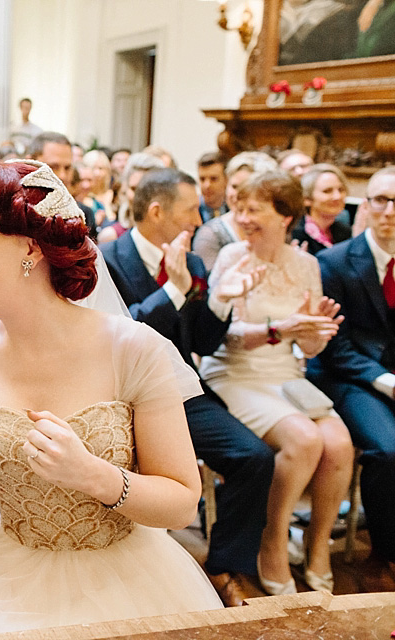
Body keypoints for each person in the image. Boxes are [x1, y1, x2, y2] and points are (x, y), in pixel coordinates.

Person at [0, 161, 222, 640]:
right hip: (1, 579)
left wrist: (95, 475)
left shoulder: (134, 349)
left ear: (29, 247)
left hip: (125, 582)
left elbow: (181, 504)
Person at [102, 168, 274, 607]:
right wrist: (174, 292)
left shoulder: (194, 263)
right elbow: (116, 337)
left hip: (180, 394)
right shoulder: (107, 259)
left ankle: (221, 566)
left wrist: (220, 300)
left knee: (254, 457)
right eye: (190, 210)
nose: (198, 221)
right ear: (157, 211)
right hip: (116, 396)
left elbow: (201, 343)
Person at [200, 171, 353, 595]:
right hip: (235, 371)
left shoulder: (306, 264)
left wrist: (314, 334)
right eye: (241, 209)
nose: (244, 218)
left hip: (286, 375)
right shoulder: (233, 257)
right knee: (304, 440)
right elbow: (223, 333)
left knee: (338, 443)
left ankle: (317, 545)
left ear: (285, 216)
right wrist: (282, 328)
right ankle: (272, 541)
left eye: (255, 210)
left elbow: (309, 348)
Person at [306, 166, 395, 592]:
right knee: (388, 449)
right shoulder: (336, 262)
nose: (389, 211)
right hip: (350, 377)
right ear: (368, 206)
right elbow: (334, 347)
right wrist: (385, 380)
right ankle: (382, 553)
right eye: (380, 200)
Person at [192, 151, 278, 272]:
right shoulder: (211, 234)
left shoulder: (277, 227)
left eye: (245, 187)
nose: (237, 195)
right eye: (234, 186)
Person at [293, 164, 352, 255]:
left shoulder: (345, 232)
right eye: (327, 191)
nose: (337, 196)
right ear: (307, 199)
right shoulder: (295, 233)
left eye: (341, 190)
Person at [197, 151, 229, 222]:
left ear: (226, 180)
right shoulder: (193, 210)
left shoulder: (234, 209)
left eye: (213, 179)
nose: (207, 185)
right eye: (202, 179)